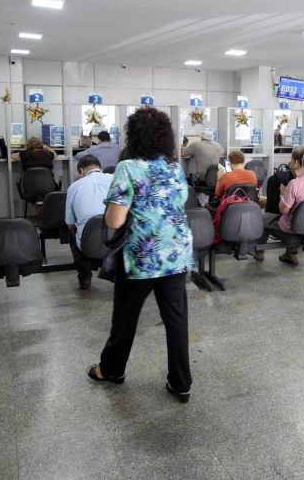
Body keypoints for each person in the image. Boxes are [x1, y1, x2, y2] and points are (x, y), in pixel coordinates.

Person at [87, 107, 194, 403]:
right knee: (176, 321)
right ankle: (181, 383)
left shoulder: (128, 168)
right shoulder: (174, 168)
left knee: (125, 318)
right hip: (176, 253)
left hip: (142, 257)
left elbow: (115, 221)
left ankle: (112, 370)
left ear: (133, 136)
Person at [252, 148, 304, 265]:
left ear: (303, 162)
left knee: (264, 217)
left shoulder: (295, 184)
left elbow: (284, 210)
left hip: (294, 227)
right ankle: (290, 254)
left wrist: (283, 193)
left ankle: (259, 251)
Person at [65, 155, 114, 289]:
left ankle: (85, 276)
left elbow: (70, 224)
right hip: (116, 241)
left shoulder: (74, 187)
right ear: (100, 168)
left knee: (71, 232)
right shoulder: (114, 179)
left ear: (81, 171)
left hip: (88, 245)